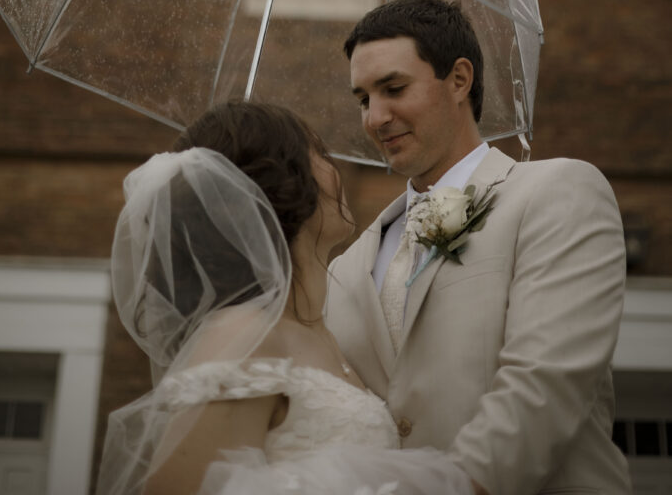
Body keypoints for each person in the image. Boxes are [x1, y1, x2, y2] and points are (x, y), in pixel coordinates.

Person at [326, 0, 632, 495]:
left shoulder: (557, 192)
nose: (375, 118)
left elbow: (545, 384)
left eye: (394, 88)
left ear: (459, 80)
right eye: (363, 99)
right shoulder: (346, 268)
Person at [96, 100, 474, 495]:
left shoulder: (327, 334)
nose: (335, 170)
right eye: (321, 154)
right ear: (284, 184)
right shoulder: (244, 334)